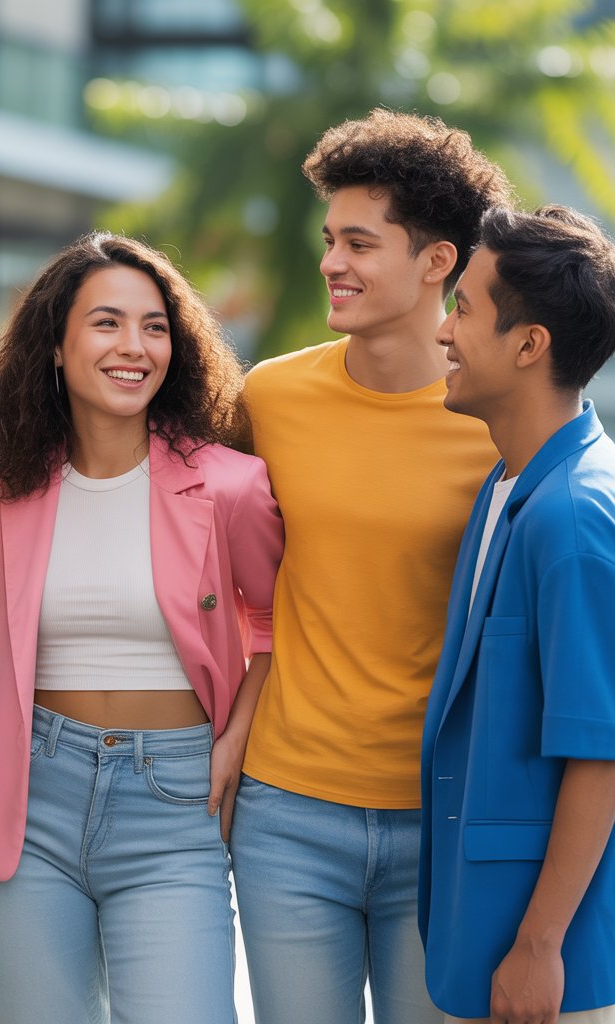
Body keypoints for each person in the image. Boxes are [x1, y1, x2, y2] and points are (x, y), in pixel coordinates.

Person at [0, 231, 283, 1024]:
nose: (134, 346)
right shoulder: (3, 489)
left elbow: (277, 620)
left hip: (176, 802)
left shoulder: (230, 485)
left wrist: (235, 737)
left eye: (155, 326)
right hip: (29, 795)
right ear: (56, 348)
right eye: (106, 323)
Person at [230, 108, 514, 1024]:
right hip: (287, 812)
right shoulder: (270, 397)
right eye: (328, 239)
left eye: (359, 242)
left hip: (443, 819)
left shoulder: (497, 420)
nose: (330, 263)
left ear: (438, 262)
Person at [420, 204, 615, 1024]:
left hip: (546, 966)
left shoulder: (573, 518)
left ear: (530, 344)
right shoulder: (507, 488)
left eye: (463, 308)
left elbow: (601, 753)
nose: (443, 333)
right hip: (482, 929)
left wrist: (539, 949)